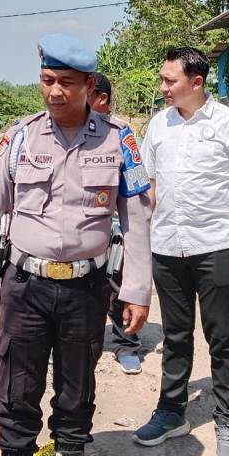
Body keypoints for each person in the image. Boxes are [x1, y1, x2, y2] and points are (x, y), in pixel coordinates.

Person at [0, 34, 153, 456]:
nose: (54, 92)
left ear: (90, 85)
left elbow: (138, 215)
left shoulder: (119, 138)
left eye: (66, 82)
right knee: (17, 386)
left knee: (76, 387)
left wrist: (136, 289)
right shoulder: (20, 137)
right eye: (47, 80)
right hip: (24, 284)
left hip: (87, 289)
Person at [132, 46, 229, 456]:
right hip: (167, 246)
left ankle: (228, 419)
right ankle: (171, 413)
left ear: (196, 82)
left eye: (170, 80)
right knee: (175, 335)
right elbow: (148, 184)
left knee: (222, 338)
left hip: (216, 245)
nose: (163, 87)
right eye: (163, 79)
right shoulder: (158, 125)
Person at [88, 72, 144, 374]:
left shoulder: (122, 133)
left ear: (101, 99)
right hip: (81, 229)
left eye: (85, 94)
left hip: (114, 228)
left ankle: (126, 343)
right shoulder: (69, 131)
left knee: (118, 285)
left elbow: (136, 184)